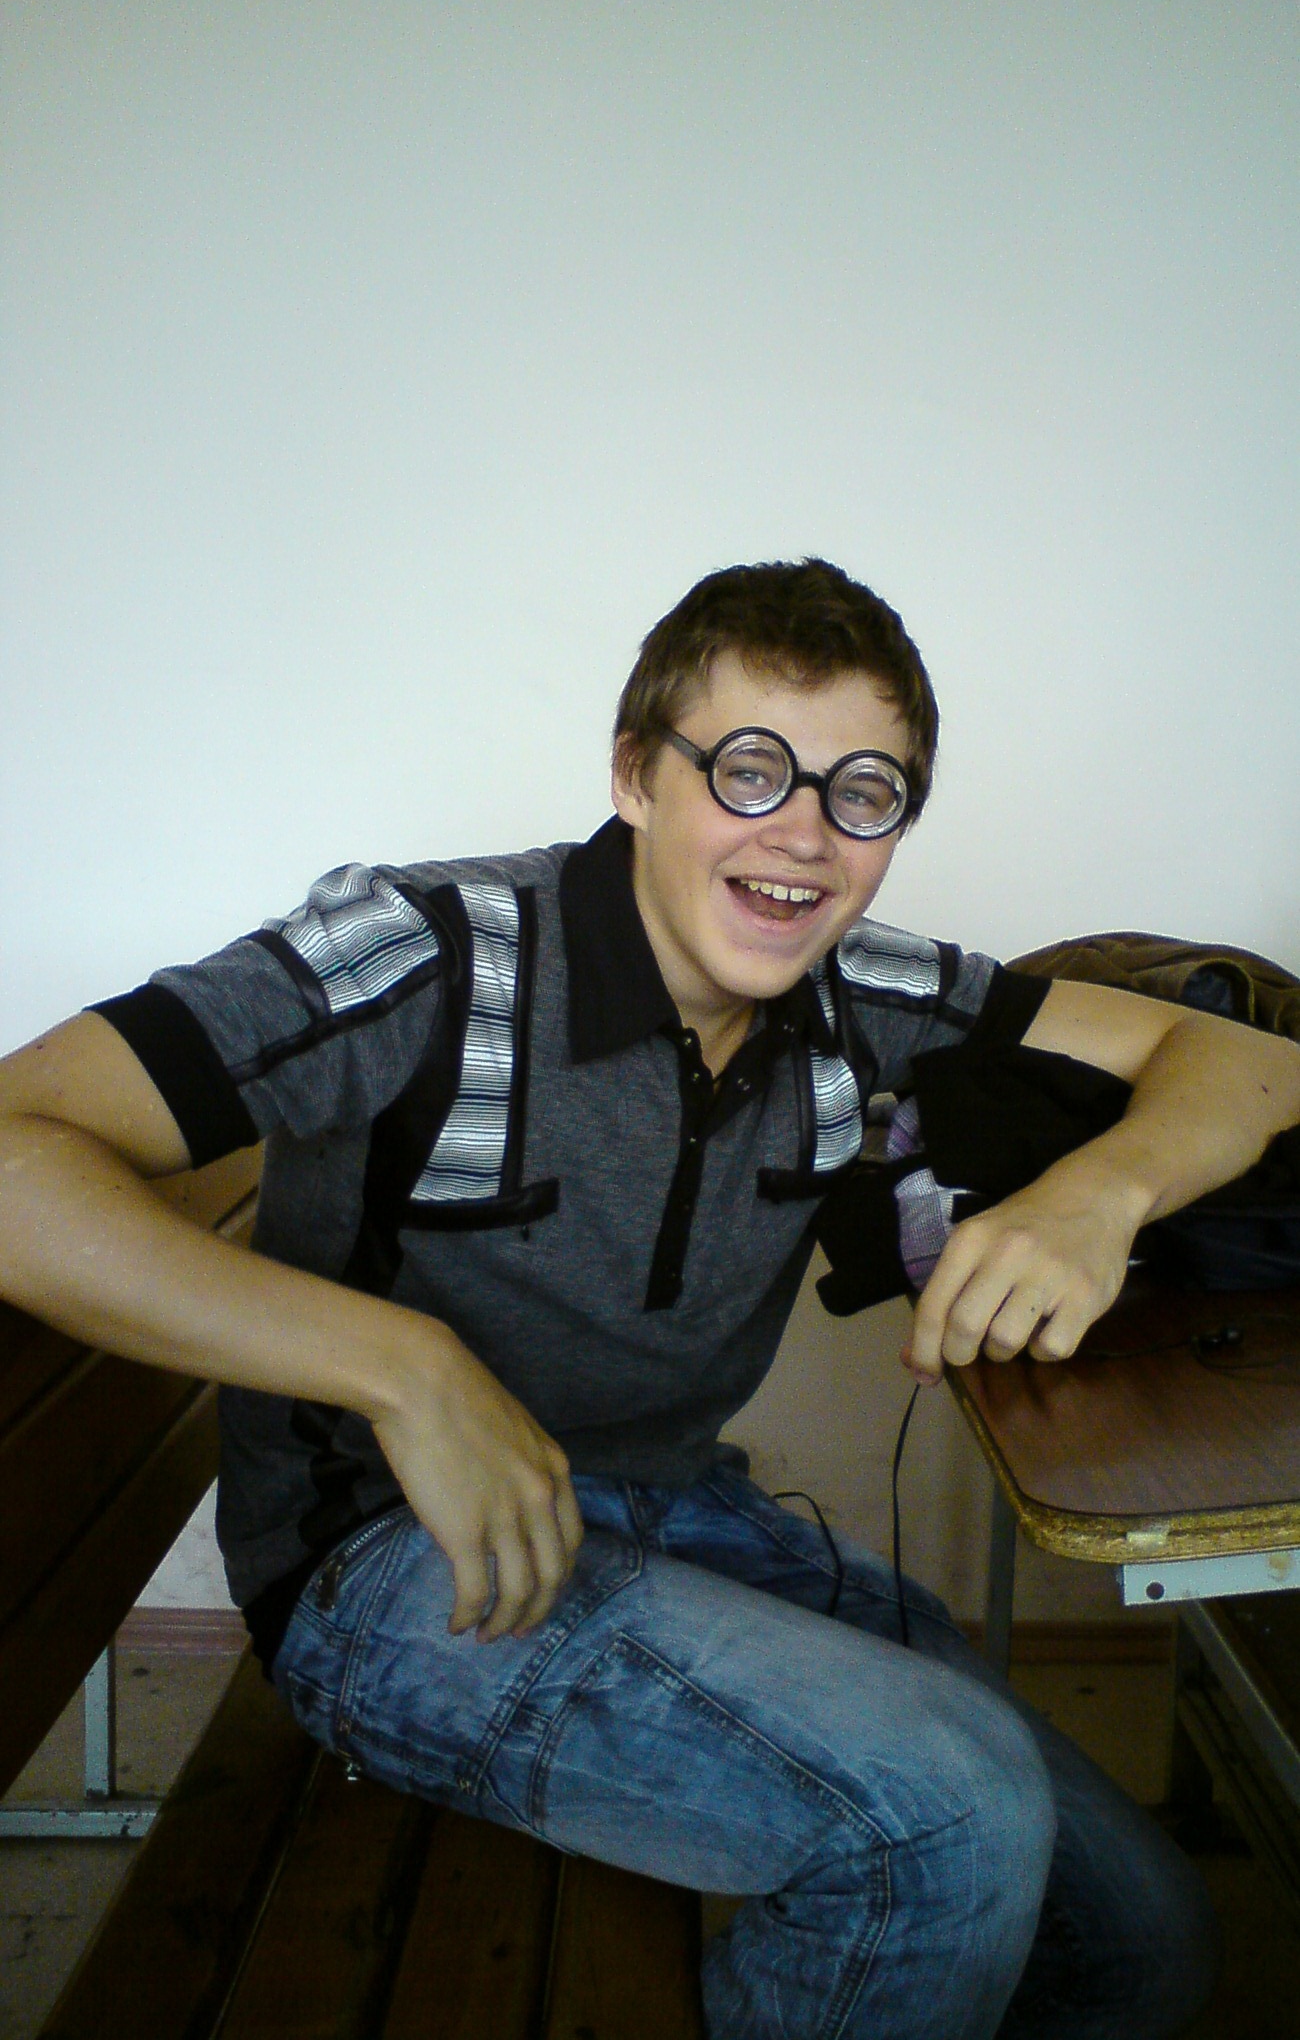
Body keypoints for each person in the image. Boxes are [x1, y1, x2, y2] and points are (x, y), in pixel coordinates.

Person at [3, 559, 1298, 2039]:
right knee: (942, 1821)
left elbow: (1256, 1062)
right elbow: (13, 1149)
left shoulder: (863, 992)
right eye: (749, 769)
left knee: (1143, 1936)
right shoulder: (423, 953)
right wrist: (405, 1366)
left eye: (865, 792)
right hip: (386, 1568)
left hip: (678, 1512)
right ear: (635, 776)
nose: (803, 833)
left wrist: (1096, 1195)